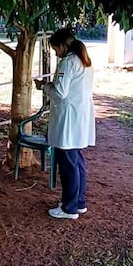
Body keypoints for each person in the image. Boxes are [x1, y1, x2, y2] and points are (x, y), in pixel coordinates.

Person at [34, 28, 96, 220]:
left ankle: (69, 208)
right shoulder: (84, 60)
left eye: (55, 49)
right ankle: (79, 202)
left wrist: (44, 87)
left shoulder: (68, 62)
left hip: (69, 117)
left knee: (68, 163)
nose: (55, 53)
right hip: (80, 115)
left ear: (62, 46)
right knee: (77, 162)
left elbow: (60, 93)